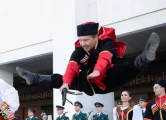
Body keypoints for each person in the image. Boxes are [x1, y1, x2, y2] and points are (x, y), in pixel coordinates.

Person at [16, 22, 160, 96]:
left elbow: (105, 56)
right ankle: (34, 77)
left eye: (86, 40)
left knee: (128, 68)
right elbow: (71, 66)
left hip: (110, 77)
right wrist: (66, 83)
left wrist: (98, 70)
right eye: (81, 40)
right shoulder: (79, 49)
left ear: (96, 37)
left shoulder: (106, 43)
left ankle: (146, 56)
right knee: (63, 79)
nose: (83, 43)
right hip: (90, 83)